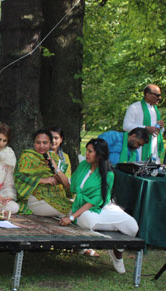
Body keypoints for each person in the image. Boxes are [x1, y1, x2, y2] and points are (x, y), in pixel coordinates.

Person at [58, 139, 139, 273]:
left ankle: (117, 251)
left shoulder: (109, 174)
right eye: (87, 151)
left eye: (90, 151)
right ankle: (112, 232)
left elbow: (95, 201)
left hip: (103, 208)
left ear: (99, 155)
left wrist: (71, 218)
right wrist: (56, 169)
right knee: (87, 220)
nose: (87, 154)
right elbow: (71, 186)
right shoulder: (84, 165)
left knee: (133, 227)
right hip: (83, 210)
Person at [14, 129, 72, 217]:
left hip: (56, 196)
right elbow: (19, 177)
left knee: (74, 207)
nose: (41, 146)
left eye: (45, 143)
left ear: (50, 143)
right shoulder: (27, 157)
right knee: (68, 211)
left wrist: (55, 169)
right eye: (38, 143)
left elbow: (66, 184)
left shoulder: (55, 158)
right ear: (34, 143)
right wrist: (42, 180)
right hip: (35, 198)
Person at [123, 84, 164, 162]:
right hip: (139, 148)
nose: (160, 98)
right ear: (148, 95)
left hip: (154, 148)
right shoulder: (134, 107)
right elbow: (126, 126)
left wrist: (161, 126)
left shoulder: (155, 109)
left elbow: (157, 131)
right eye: (157, 95)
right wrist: (145, 128)